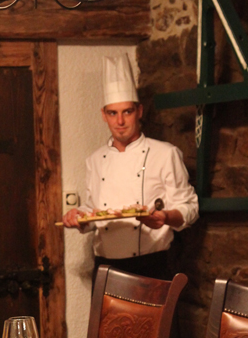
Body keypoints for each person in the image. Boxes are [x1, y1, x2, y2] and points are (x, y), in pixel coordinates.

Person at [62, 55, 198, 280]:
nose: (120, 121)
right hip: (106, 268)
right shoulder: (95, 160)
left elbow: (190, 207)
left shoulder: (165, 153)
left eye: (127, 111)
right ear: (103, 115)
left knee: (156, 318)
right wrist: (79, 217)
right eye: (113, 113)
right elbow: (95, 208)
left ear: (140, 111)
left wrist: (165, 217)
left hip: (152, 266)